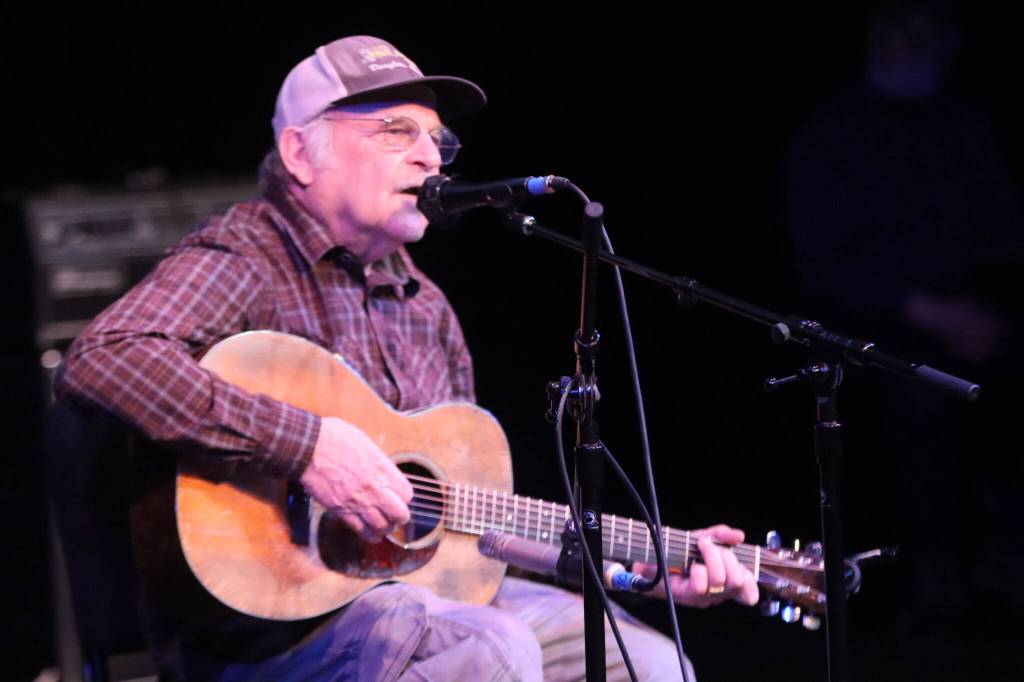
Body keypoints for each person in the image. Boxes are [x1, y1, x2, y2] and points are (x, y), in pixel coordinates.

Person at [55, 35, 758, 681]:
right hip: (260, 633)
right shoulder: (246, 256)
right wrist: (308, 447)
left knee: (648, 661)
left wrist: (637, 569)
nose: (429, 157)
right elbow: (104, 357)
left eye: (437, 140)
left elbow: (468, 532)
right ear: (301, 154)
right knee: (490, 649)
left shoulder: (424, 305)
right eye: (397, 132)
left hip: (410, 603)